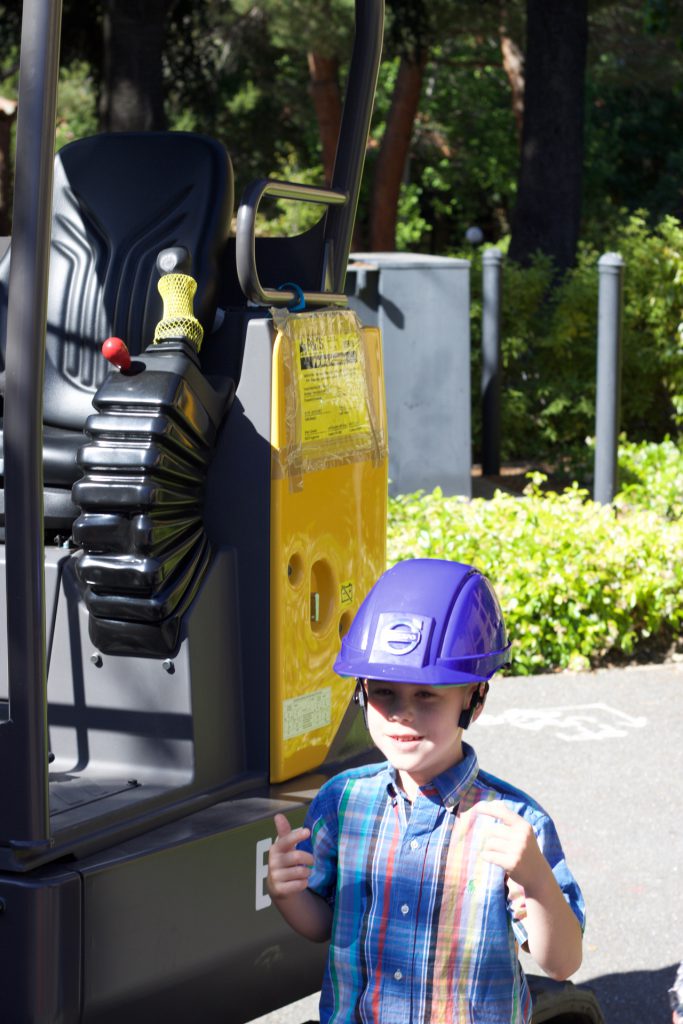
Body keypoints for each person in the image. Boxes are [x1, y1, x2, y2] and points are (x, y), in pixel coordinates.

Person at [268, 559, 585, 1023]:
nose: (401, 714)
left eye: (426, 695)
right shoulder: (341, 803)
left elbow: (561, 963)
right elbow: (324, 925)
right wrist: (288, 894)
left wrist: (536, 878)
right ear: (361, 693)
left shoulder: (512, 823)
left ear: (474, 700)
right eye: (384, 693)